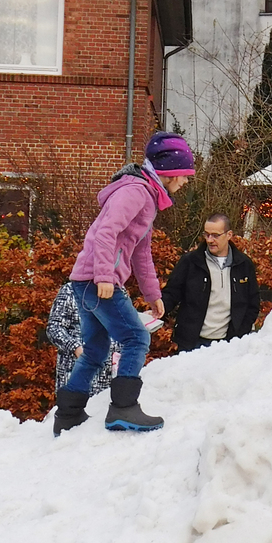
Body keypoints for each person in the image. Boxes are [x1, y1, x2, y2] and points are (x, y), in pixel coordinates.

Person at [53, 131, 194, 436]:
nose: (184, 183)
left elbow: (141, 252)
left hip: (88, 279)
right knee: (136, 339)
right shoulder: (136, 193)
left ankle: (68, 413)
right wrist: (104, 275)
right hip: (97, 279)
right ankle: (123, 408)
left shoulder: (147, 197)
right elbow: (105, 232)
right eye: (184, 175)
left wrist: (153, 294)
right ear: (169, 172)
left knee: (95, 349)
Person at [162, 213, 261, 352]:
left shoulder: (243, 264)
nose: (210, 240)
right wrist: (157, 310)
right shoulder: (190, 262)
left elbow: (253, 303)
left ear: (229, 234)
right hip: (192, 344)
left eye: (215, 235)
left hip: (230, 344)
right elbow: (171, 294)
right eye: (207, 234)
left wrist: (240, 332)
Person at [46, 282, 119, 396]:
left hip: (110, 377)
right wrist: (75, 348)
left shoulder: (118, 289)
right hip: (76, 371)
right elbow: (54, 328)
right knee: (73, 410)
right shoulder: (70, 290)